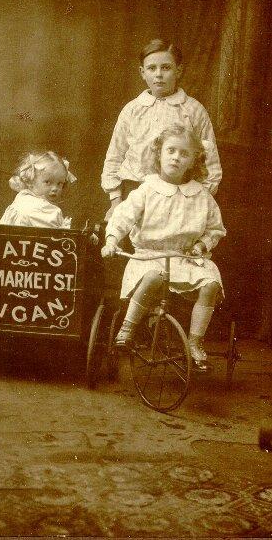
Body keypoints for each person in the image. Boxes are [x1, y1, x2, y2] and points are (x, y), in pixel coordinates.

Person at [101, 124, 226, 369]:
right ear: (159, 154)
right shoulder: (146, 190)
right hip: (149, 257)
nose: (176, 157)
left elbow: (215, 229)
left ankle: (194, 342)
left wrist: (202, 244)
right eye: (171, 151)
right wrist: (112, 240)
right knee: (153, 277)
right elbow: (123, 217)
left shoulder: (201, 196)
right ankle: (128, 327)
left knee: (210, 283)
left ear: (193, 161)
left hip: (185, 258)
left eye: (184, 154)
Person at [101, 39, 222, 220]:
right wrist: (116, 201)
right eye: (151, 68)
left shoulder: (193, 110)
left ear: (178, 70)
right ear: (142, 72)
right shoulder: (132, 110)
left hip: (178, 196)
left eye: (165, 68)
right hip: (134, 190)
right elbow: (114, 156)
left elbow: (210, 161)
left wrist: (196, 202)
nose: (158, 74)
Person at [0, 151, 76, 228]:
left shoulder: (21, 199)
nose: (55, 188)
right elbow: (56, 237)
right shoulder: (46, 211)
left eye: (59, 183)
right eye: (48, 182)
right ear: (30, 181)